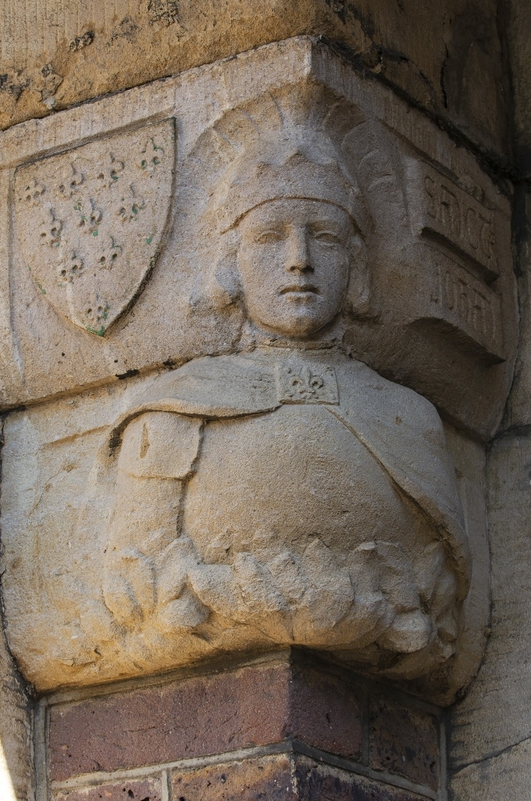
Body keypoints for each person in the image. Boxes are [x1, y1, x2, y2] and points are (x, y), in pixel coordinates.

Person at [100, 130, 470, 680]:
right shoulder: (173, 413)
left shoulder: (407, 417)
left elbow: (441, 606)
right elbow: (139, 587)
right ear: (231, 262)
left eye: (324, 236)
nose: (299, 260)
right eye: (270, 236)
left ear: (358, 265)